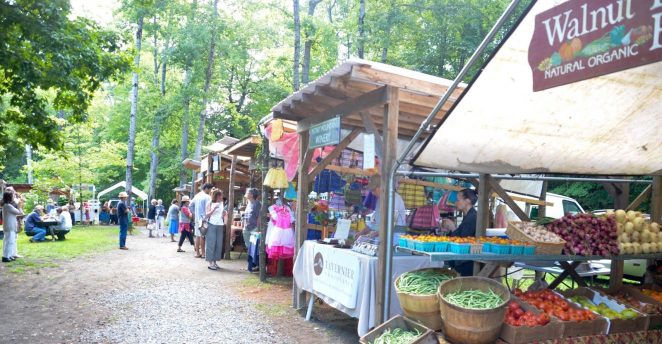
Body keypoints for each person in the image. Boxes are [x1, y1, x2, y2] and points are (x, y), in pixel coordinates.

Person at [356, 175, 407, 241]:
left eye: (374, 190)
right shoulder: (379, 200)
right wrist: (361, 233)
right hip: (381, 240)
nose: (372, 193)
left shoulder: (394, 199)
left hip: (394, 240)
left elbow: (392, 223)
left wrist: (375, 233)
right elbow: (374, 222)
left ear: (382, 187)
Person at [441, 188, 478, 277]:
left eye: (458, 200)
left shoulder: (472, 217)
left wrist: (453, 228)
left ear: (468, 201)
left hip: (468, 261)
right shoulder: (468, 216)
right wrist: (449, 230)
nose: (455, 203)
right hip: (464, 259)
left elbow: (463, 241)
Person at [205, 189, 226, 270]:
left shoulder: (221, 203)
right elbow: (206, 215)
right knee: (211, 243)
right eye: (221, 195)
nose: (222, 196)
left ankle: (215, 261)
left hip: (220, 224)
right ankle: (210, 262)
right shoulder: (209, 203)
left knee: (218, 244)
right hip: (211, 224)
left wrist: (223, 214)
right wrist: (213, 209)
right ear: (217, 195)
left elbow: (221, 214)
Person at [191, 183, 212, 259]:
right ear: (206, 188)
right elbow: (209, 208)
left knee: (197, 236)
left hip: (197, 218)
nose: (210, 191)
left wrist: (194, 213)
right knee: (203, 236)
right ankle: (203, 253)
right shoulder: (208, 197)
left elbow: (191, 205)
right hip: (204, 219)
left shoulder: (197, 195)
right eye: (209, 189)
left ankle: (197, 253)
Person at [242, 188, 261, 272]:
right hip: (246, 228)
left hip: (254, 228)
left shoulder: (257, 204)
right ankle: (250, 265)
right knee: (248, 247)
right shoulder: (248, 203)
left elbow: (259, 217)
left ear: (252, 195)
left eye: (248, 192)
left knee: (254, 248)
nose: (246, 193)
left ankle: (254, 265)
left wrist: (258, 228)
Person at [2, 191, 23, 262]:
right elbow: (18, 212)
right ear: (9, 197)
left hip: (10, 226)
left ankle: (10, 255)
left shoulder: (7, 205)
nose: (14, 197)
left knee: (11, 241)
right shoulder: (7, 206)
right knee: (9, 241)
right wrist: (19, 206)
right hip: (9, 226)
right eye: (13, 196)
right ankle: (6, 256)